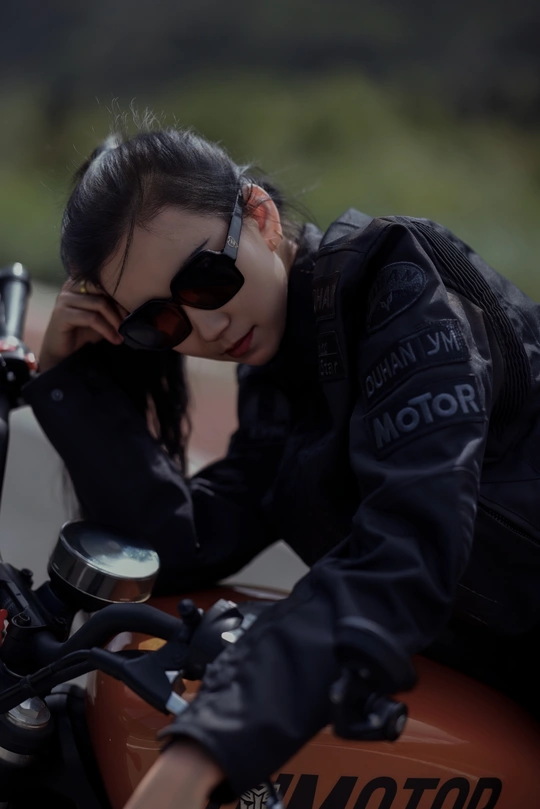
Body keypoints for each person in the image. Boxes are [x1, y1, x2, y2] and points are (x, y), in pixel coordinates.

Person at [23, 125, 540, 809]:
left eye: (205, 281)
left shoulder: (400, 285)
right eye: (162, 323)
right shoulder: (282, 378)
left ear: (261, 216)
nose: (205, 329)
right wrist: (74, 385)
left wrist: (211, 744)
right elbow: (185, 544)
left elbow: (405, 546)